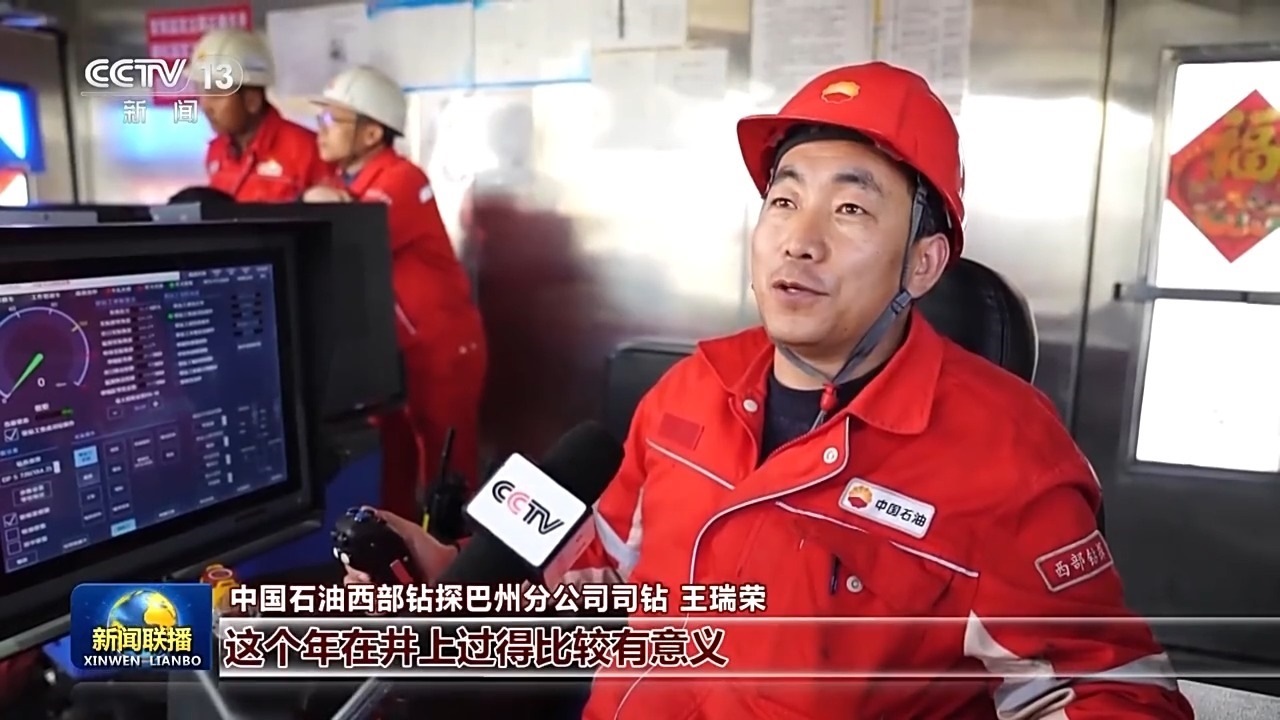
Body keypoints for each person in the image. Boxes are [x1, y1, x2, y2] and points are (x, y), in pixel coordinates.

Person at [343, 62, 1193, 719]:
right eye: (783, 201)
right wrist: (463, 571)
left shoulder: (1006, 458)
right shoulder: (688, 392)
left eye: (850, 211)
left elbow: (1111, 694)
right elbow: (602, 567)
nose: (799, 240)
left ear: (923, 264)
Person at [306, 66, 487, 520]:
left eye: (332, 120)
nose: (320, 130)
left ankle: (458, 559)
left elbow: (353, 237)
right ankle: (398, 555)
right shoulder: (350, 184)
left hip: (441, 350)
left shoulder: (402, 179)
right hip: (396, 353)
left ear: (371, 133)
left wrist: (320, 202)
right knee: (395, 466)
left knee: (446, 477)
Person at [190, 28, 332, 202]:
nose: (205, 105)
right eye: (202, 92)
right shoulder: (217, 151)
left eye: (216, 93)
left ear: (252, 101)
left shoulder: (307, 152)